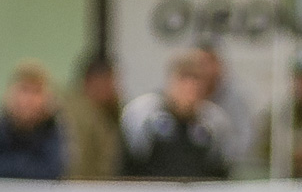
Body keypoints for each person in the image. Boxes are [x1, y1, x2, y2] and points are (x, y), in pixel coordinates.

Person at [120, 50, 235, 180]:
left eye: (194, 86)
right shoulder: (144, 117)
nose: (188, 92)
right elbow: (130, 164)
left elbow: (219, 170)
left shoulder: (213, 124)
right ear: (171, 83)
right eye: (183, 84)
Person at [60, 53, 121, 180]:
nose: (114, 88)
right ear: (94, 81)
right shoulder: (79, 115)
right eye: (111, 81)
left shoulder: (103, 112)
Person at [0, 62, 66, 180]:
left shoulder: (53, 128)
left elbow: (52, 170)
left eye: (36, 92)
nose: (29, 99)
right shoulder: (3, 127)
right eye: (24, 90)